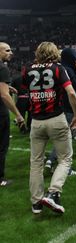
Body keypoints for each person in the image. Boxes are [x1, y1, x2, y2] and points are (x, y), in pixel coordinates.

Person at [22, 42, 76, 214]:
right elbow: (70, 92)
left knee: (36, 162)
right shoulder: (58, 68)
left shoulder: (27, 68)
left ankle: (36, 202)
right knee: (65, 159)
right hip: (56, 118)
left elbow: (25, 89)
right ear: (55, 52)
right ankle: (53, 193)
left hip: (36, 121)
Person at [0, 42, 25, 187]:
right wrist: (18, 114)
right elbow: (4, 95)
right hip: (0, 113)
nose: (11, 52)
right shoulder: (2, 68)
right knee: (2, 146)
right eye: (7, 50)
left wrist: (7, 86)